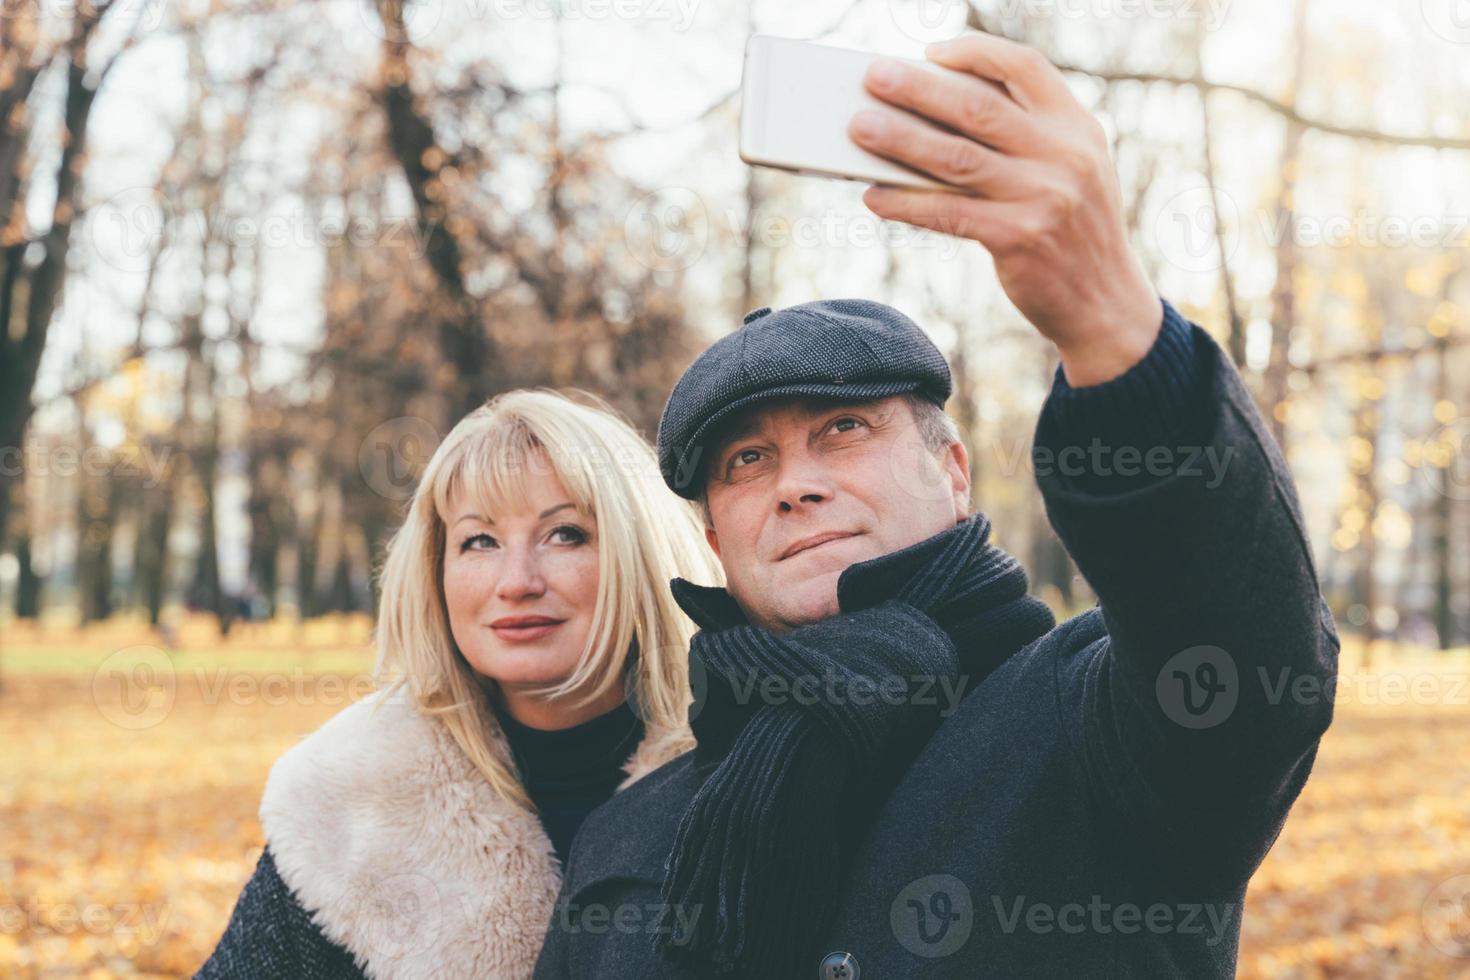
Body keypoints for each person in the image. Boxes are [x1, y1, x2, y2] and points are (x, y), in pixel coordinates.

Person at [533, 31, 1338, 980]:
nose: (794, 482)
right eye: (748, 460)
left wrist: (1111, 319)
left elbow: (1236, 630)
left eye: (842, 430)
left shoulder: (1101, 719)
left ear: (951, 469)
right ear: (715, 536)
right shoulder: (629, 836)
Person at [197, 389, 722, 979]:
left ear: (642, 553)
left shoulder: (748, 771)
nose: (516, 581)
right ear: (435, 572)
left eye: (566, 534)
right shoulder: (352, 795)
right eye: (479, 541)